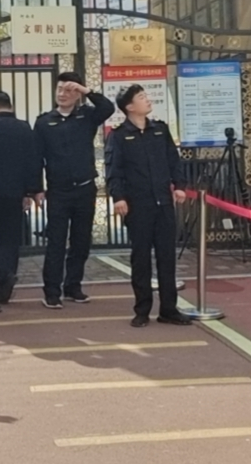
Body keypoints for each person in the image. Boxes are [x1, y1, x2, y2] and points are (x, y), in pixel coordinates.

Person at [105, 83, 191, 328]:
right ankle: (142, 309)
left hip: (163, 202)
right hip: (137, 205)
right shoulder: (119, 136)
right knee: (141, 258)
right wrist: (118, 197)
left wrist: (180, 185)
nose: (148, 100)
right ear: (130, 107)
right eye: (142, 97)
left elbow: (173, 160)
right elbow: (114, 169)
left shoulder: (160, 130)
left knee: (167, 257)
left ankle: (169, 309)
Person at [33, 72, 115, 309]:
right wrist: (36, 189)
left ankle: (73, 286)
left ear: (78, 94)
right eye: (60, 89)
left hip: (85, 189)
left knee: (81, 241)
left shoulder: (87, 116)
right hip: (58, 191)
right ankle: (52, 291)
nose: (63, 94)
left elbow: (107, 108)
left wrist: (86, 90)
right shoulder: (44, 122)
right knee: (56, 242)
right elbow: (36, 158)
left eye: (69, 90)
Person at [0, 90, 41, 305]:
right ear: (10, 106)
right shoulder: (24, 128)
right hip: (15, 194)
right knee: (11, 240)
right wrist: (31, 191)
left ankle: (2, 276)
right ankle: (6, 283)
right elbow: (33, 161)